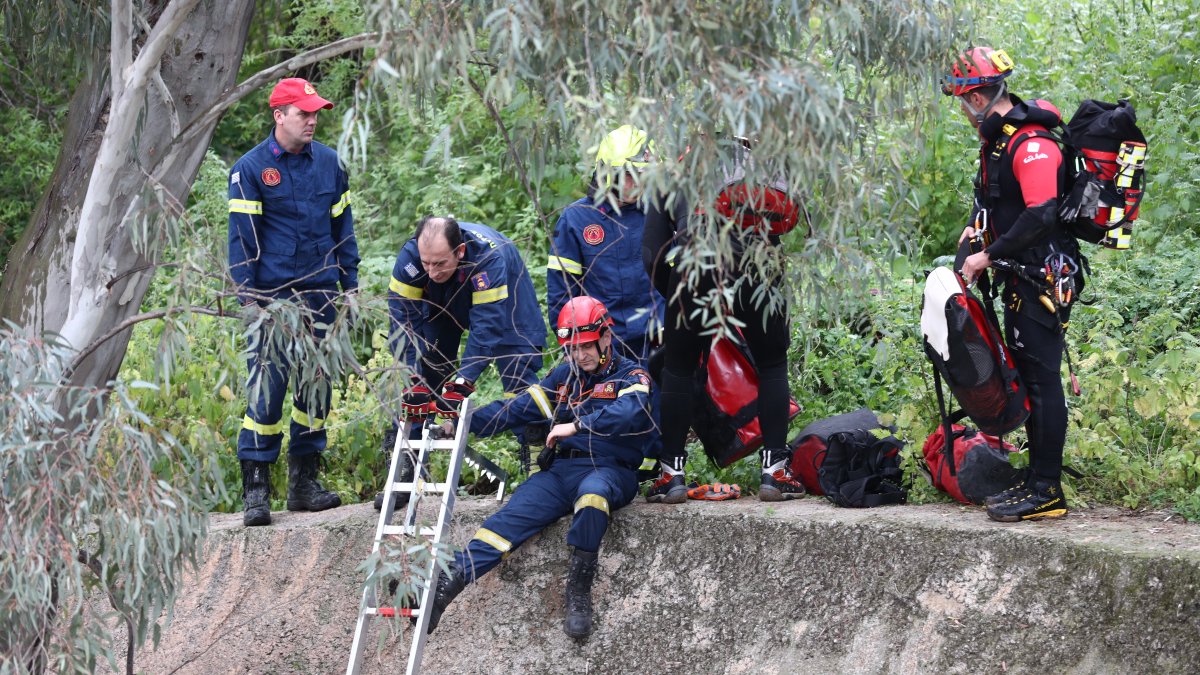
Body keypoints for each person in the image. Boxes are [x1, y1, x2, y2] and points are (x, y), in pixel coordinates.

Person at [421, 296, 654, 639]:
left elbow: (630, 412)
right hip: (561, 472)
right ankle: (447, 585)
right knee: (509, 518)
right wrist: (460, 424)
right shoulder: (564, 377)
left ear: (606, 336)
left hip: (610, 469)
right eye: (572, 349)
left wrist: (576, 426)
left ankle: (578, 591)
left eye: (586, 346)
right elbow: (515, 410)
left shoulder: (632, 376)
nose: (580, 355)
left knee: (594, 495)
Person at [946, 46, 1080, 521]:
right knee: (1027, 378)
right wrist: (974, 233)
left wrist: (988, 255)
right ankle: (1036, 480)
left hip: (1044, 277)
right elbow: (996, 200)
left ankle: (1047, 490)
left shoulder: (1031, 143)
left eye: (963, 103)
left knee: (1042, 384)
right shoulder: (999, 142)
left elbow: (1041, 214)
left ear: (977, 98)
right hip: (1021, 276)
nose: (964, 113)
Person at [641, 141, 807, 503]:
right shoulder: (766, 156)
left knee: (678, 367)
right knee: (772, 365)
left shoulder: (675, 166)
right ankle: (775, 472)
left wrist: (676, 296)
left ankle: (671, 474)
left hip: (695, 266)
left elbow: (652, 252)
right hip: (761, 265)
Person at [227, 77, 358, 527]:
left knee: (315, 389)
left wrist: (351, 286)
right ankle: (256, 490)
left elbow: (344, 230)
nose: (312, 120)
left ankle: (304, 484)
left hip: (321, 294)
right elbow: (242, 243)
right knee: (267, 392)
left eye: (315, 112)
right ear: (279, 115)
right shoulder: (250, 169)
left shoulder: (331, 164)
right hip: (272, 299)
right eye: (304, 113)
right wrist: (250, 301)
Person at [383, 216, 545, 484]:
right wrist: (413, 376)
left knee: (517, 374)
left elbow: (486, 329)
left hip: (507, 300)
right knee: (425, 370)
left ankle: (538, 468)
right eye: (426, 263)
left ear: (459, 251)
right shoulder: (410, 259)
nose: (431, 272)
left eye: (439, 263)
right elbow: (402, 326)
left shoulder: (489, 259)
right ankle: (407, 469)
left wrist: (461, 384)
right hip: (441, 302)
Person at [546, 125, 663, 362]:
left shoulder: (661, 211)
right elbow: (562, 290)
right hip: (604, 344)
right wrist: (571, 345)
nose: (638, 182)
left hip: (658, 341)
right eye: (630, 174)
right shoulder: (576, 219)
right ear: (608, 172)